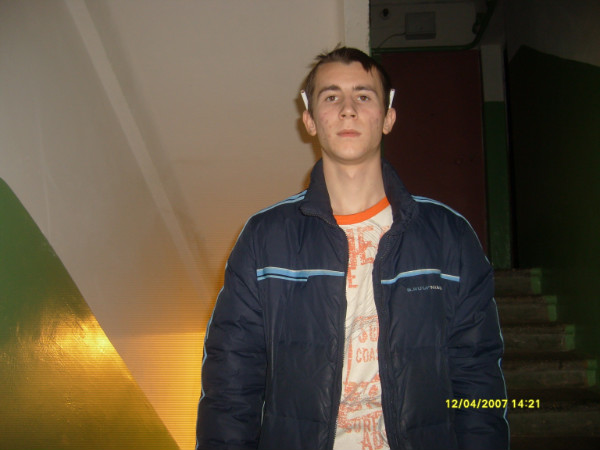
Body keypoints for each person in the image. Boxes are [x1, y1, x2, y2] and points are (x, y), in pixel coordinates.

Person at [196, 46, 509, 450]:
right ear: (310, 120)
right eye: (331, 97)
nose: (348, 110)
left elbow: (478, 378)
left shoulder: (449, 237)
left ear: (388, 117)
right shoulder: (264, 239)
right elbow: (231, 386)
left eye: (363, 95)